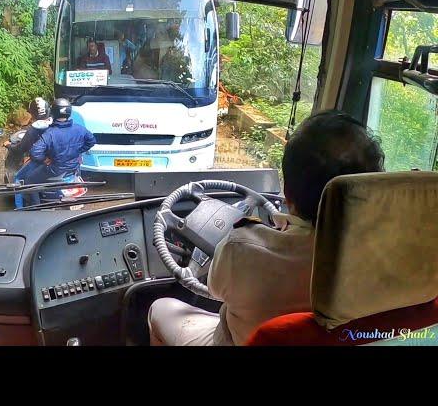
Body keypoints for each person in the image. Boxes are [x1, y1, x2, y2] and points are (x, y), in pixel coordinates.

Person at [148, 110, 386, 346]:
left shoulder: (240, 245)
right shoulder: (383, 258)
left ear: (288, 196)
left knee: (160, 309)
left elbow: (215, 290)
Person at [23, 98, 96, 206]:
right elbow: (92, 141)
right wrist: (77, 151)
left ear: (53, 112)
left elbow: (35, 152)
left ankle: (36, 208)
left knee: (29, 180)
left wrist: (44, 160)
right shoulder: (80, 129)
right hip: (73, 167)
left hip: (55, 169)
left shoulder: (50, 133)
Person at [7, 98, 52, 208]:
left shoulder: (34, 129)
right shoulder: (54, 123)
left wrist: (8, 145)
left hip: (41, 161)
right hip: (56, 158)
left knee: (18, 178)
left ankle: (21, 209)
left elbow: (20, 149)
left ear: (33, 113)